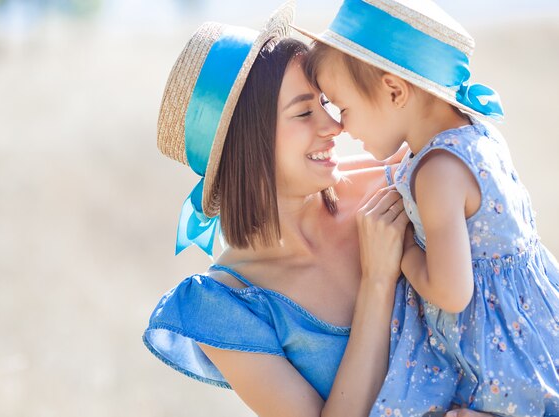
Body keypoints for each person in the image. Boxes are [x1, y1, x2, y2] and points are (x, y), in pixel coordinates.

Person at [143, 2, 497, 417]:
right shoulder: (225, 306)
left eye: (326, 105)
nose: (335, 127)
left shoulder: (399, 181)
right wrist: (377, 284)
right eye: (304, 112)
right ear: (248, 144)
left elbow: (517, 289)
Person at [295, 0, 559, 416]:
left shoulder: (436, 173)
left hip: (500, 358)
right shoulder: (477, 135)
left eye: (343, 108)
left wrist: (404, 254)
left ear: (395, 90)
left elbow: (452, 293)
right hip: (536, 328)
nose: (342, 127)